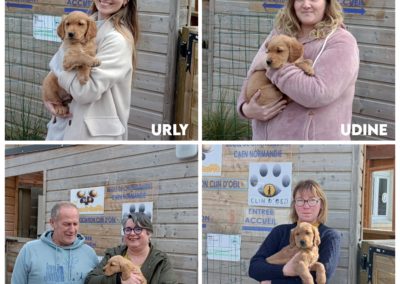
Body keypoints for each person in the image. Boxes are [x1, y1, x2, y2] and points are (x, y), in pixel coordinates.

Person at [237, 0, 359, 140]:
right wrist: (246, 109)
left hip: (313, 150)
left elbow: (318, 93)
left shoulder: (341, 41)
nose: (306, 4)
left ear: (327, 3)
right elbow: (252, 73)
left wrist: (272, 66)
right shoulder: (280, 33)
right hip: (266, 147)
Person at [45, 0, 139, 140]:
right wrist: (50, 96)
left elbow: (85, 91)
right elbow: (55, 67)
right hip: (62, 127)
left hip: (92, 136)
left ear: (126, 1)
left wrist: (63, 67)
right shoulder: (82, 23)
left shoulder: (117, 40)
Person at [249, 180, 341, 283]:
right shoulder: (279, 232)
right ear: (295, 205)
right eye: (300, 200)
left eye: (312, 200)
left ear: (321, 204)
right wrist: (285, 270)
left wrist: (272, 282)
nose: (306, 206)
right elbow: (254, 268)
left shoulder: (329, 236)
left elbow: (320, 279)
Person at [11, 202, 98, 284]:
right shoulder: (29, 250)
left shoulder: (89, 253)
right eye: (67, 224)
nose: (72, 230)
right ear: (52, 223)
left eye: (75, 224)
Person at [85, 213, 177, 284]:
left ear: (149, 233)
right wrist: (118, 280)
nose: (132, 233)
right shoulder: (113, 254)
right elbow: (90, 280)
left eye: (138, 229)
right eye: (128, 229)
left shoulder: (161, 261)